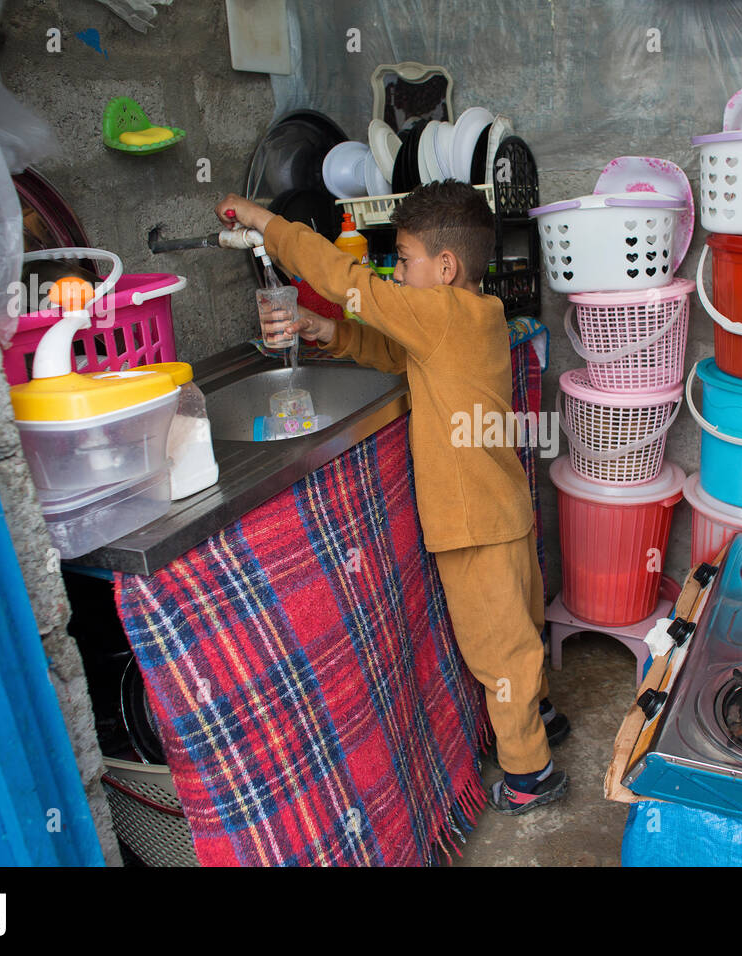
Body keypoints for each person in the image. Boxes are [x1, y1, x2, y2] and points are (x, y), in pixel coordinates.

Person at [215, 182, 570, 814]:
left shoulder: (440, 313)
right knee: (521, 627)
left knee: (498, 652)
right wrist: (328, 329)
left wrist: (267, 223)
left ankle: (529, 771)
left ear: (445, 267)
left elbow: (343, 275)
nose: (396, 274)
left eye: (404, 261)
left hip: (471, 524)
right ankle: (539, 713)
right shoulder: (475, 315)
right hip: (503, 510)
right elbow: (395, 351)